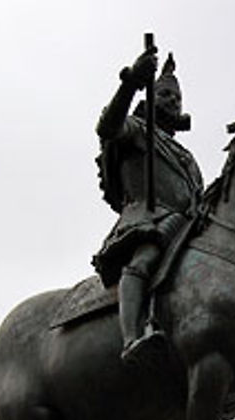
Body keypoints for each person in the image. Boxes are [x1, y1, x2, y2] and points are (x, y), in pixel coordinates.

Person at [92, 47, 203, 364]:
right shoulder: (135, 131)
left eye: (178, 98)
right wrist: (131, 83)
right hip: (148, 222)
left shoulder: (187, 158)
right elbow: (108, 127)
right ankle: (132, 338)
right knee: (144, 261)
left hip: (186, 230)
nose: (173, 102)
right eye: (166, 94)